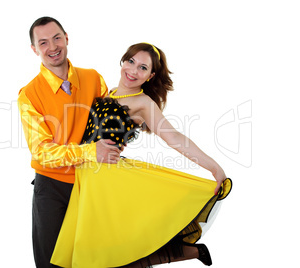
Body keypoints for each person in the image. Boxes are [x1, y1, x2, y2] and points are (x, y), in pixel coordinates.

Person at [50, 43, 232, 267]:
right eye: (131, 62)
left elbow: (174, 138)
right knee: (101, 255)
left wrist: (215, 168)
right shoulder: (106, 93)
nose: (133, 71)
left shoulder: (143, 103)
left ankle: (189, 251)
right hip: (84, 178)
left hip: (107, 181)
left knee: (109, 257)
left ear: (150, 75)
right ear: (123, 61)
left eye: (143, 68)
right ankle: (189, 251)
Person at [17, 17, 123, 268]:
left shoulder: (93, 79)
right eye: (43, 42)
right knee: (53, 262)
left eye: (56, 38)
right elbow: (42, 152)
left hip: (92, 183)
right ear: (34, 49)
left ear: (66, 38)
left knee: (99, 259)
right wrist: (90, 151)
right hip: (52, 189)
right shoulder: (29, 94)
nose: (52, 46)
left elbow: (109, 131)